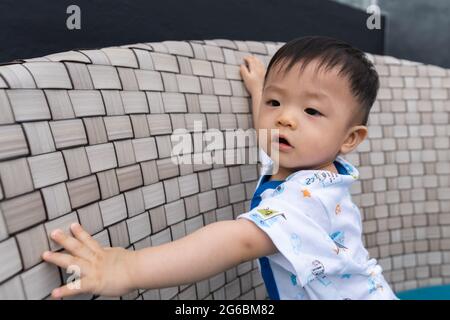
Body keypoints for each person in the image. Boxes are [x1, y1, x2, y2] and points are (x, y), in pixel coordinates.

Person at [42, 36, 398, 300]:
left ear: (350, 138)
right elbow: (269, 130)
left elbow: (239, 240)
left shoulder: (309, 199)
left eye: (312, 111)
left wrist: (126, 268)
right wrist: (260, 91)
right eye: (277, 102)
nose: (285, 119)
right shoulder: (299, 157)